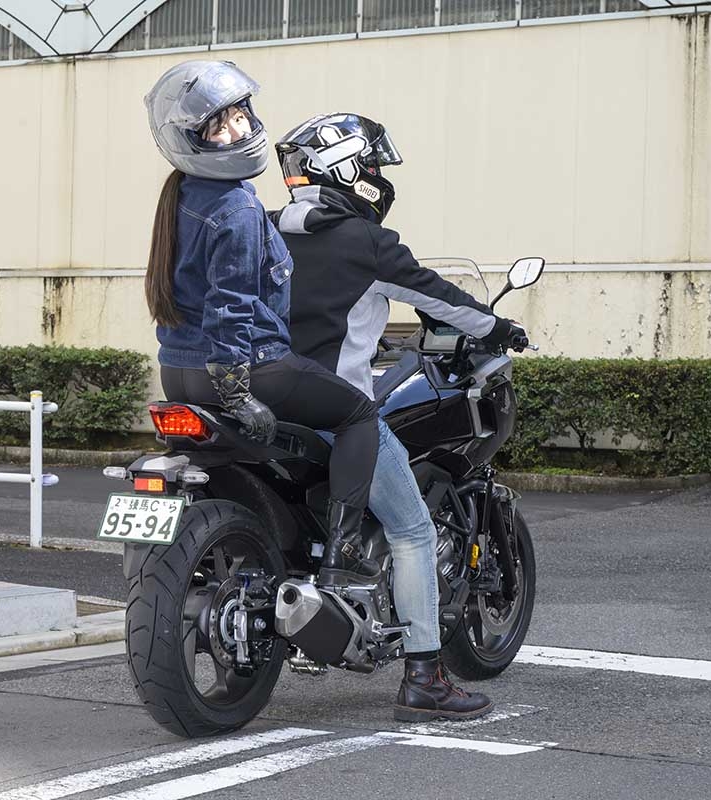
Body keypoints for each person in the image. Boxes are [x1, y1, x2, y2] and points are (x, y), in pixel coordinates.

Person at [272, 112, 526, 722]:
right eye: (375, 165)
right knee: (412, 531)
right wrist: (500, 327)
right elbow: (438, 296)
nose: (379, 178)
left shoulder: (259, 230)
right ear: (349, 168)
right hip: (335, 409)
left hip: (253, 402)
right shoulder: (365, 241)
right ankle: (424, 677)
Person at [143, 63, 381, 579]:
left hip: (178, 371)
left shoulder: (180, 195)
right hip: (249, 367)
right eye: (215, 126)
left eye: (236, 116)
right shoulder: (236, 208)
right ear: (193, 141)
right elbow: (230, 306)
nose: (235, 131)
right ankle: (344, 551)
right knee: (359, 414)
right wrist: (235, 391)